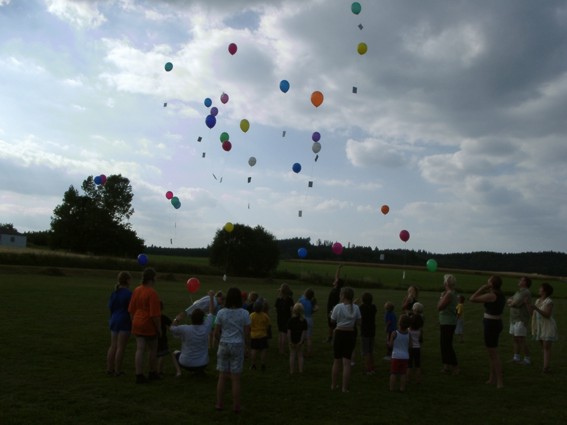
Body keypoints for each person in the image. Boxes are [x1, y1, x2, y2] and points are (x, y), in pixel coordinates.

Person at [215, 287, 251, 413]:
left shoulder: (221, 312)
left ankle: (219, 404)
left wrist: (220, 340)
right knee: (235, 378)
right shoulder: (245, 313)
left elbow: (216, 332)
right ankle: (236, 406)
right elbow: (247, 334)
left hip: (224, 344)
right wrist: (247, 347)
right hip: (238, 345)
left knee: (222, 376)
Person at [470, 275, 505, 389]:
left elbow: (472, 298)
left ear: (492, 284)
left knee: (493, 354)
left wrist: (481, 288)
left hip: (491, 324)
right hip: (496, 323)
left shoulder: (492, 295)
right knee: (491, 353)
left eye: (488, 282)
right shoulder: (500, 294)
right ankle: (492, 378)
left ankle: (500, 381)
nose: (487, 283)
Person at [128, 268, 161, 384]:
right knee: (153, 349)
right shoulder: (152, 293)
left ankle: (139, 374)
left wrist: (134, 321)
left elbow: (131, 309)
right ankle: (152, 372)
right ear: (152, 278)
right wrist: (159, 328)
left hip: (137, 322)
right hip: (148, 324)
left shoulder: (137, 290)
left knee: (140, 349)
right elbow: (155, 315)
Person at [171, 290, 215, 376]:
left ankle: (179, 372)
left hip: (185, 363)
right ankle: (200, 371)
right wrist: (211, 298)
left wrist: (177, 319)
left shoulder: (185, 328)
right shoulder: (206, 327)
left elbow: (172, 328)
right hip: (203, 363)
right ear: (203, 319)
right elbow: (211, 312)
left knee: (174, 353)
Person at [330, 287, 361, 393]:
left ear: (343, 296)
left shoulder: (337, 307)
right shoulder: (356, 308)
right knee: (347, 363)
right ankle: (344, 388)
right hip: (350, 335)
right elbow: (359, 322)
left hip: (339, 334)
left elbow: (332, 321)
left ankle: (333, 385)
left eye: (340, 294)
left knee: (336, 361)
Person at [106, 271, 132, 376]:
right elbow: (131, 310)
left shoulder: (114, 293)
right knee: (121, 347)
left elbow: (110, 307)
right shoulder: (129, 294)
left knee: (113, 346)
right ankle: (117, 370)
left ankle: (109, 369)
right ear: (127, 280)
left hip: (114, 320)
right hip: (124, 321)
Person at [528, 282, 557, 373]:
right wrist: (529, 306)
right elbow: (533, 315)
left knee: (546, 347)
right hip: (540, 327)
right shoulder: (537, 301)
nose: (538, 289)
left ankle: (546, 368)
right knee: (543, 347)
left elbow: (547, 315)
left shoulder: (549, 302)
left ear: (545, 291)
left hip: (547, 327)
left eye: (540, 288)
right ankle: (546, 366)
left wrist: (536, 308)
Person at [507, 277, 532, 365]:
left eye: (521, 280)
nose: (519, 281)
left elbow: (514, 303)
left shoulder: (525, 292)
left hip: (520, 319)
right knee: (515, 338)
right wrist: (511, 302)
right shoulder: (518, 292)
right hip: (514, 319)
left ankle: (527, 359)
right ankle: (516, 357)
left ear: (525, 282)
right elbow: (510, 299)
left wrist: (511, 302)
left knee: (521, 339)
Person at [437, 274, 459, 375]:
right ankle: (446, 366)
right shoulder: (451, 293)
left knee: (447, 345)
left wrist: (441, 298)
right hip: (447, 321)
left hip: (448, 322)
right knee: (444, 344)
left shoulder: (449, 294)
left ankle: (455, 367)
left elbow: (439, 307)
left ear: (446, 283)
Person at [389, 315, 412, 392]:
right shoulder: (409, 334)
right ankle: (402, 388)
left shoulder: (394, 333)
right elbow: (410, 346)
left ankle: (392, 388)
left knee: (393, 373)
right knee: (403, 374)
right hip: (405, 356)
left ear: (399, 323)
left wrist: (389, 342)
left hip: (395, 356)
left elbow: (391, 345)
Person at [249, 299, 271, 371]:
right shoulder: (265, 316)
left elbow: (249, 325)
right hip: (263, 335)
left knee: (254, 350)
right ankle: (263, 363)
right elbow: (268, 325)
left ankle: (253, 364)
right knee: (263, 350)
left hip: (254, 335)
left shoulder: (251, 315)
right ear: (262, 308)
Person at [287, 303, 308, 374]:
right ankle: (300, 370)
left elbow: (289, 332)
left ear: (293, 310)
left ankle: (291, 371)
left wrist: (290, 341)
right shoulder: (304, 321)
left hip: (292, 340)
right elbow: (304, 332)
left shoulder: (290, 320)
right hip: (300, 341)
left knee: (292, 355)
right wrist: (301, 341)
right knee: (300, 355)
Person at [359, 292, 377, 375]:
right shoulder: (373, 307)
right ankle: (372, 368)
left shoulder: (362, 308)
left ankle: (368, 369)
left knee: (366, 352)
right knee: (371, 351)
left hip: (365, 332)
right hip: (372, 331)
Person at [326, 265, 344, 343]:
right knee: (331, 325)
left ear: (337, 283)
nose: (335, 280)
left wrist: (332, 311)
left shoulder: (337, 291)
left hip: (334, 309)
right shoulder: (337, 289)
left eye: (336, 280)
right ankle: (330, 338)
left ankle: (334, 339)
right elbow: (337, 277)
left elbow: (340, 302)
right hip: (331, 309)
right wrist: (338, 269)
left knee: (334, 325)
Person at [275, 283, 294, 354]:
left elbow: (276, 309)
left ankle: (280, 349)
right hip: (287, 318)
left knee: (280, 333)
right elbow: (292, 310)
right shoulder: (290, 300)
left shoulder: (278, 299)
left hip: (279, 318)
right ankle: (282, 350)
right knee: (284, 334)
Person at [408, 302, 424, 384]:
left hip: (410, 348)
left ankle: (408, 379)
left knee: (409, 365)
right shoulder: (420, 331)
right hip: (417, 348)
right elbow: (421, 339)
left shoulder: (409, 330)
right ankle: (418, 380)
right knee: (418, 365)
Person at [299, 288, 318, 357]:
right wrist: (312, 311)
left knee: (302, 336)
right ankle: (309, 352)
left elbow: (297, 306)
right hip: (309, 319)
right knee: (309, 337)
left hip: (302, 319)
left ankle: (300, 351)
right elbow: (316, 308)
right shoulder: (312, 301)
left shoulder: (301, 300)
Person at [156, 301, 173, 377]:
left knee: (153, 354)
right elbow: (171, 326)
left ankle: (153, 369)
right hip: (162, 338)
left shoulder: (151, 317)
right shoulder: (163, 317)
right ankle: (159, 371)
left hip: (152, 337)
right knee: (162, 355)